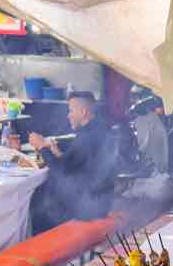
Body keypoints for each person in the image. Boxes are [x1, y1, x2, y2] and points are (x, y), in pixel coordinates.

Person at [28, 92, 120, 231]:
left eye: (71, 110)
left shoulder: (87, 136)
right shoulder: (101, 129)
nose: (68, 115)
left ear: (83, 112)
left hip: (87, 208)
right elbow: (78, 163)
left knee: (37, 203)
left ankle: (48, 247)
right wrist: (57, 153)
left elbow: (61, 172)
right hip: (102, 202)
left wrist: (42, 146)